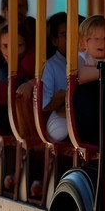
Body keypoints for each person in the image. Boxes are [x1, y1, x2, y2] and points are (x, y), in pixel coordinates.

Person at [72, 15, 105, 147]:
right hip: (88, 110)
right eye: (96, 39)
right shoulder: (81, 58)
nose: (101, 43)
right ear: (83, 43)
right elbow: (81, 76)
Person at [40, 13, 70, 142]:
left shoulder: (86, 61)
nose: (71, 38)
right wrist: (64, 96)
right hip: (59, 121)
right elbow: (45, 105)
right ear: (55, 40)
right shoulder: (50, 66)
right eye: (64, 35)